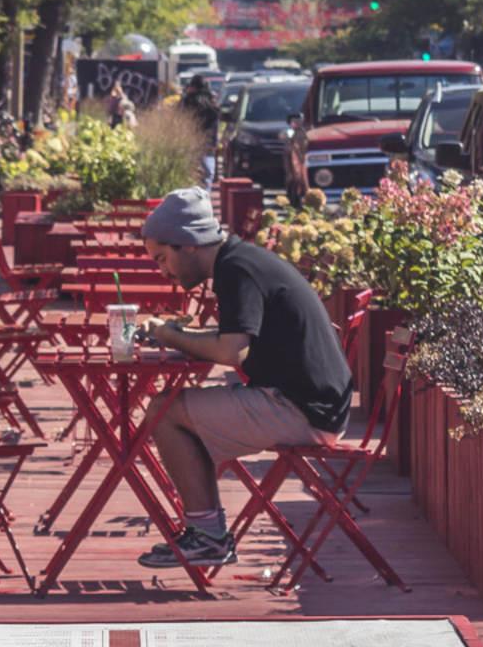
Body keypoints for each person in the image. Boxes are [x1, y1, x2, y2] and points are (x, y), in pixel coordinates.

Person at [134, 187, 352, 567]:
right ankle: (206, 533)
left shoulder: (235, 270)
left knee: (163, 412)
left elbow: (231, 352)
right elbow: (230, 340)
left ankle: (207, 538)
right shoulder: (241, 260)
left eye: (162, 258)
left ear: (188, 244)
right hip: (315, 403)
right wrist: (176, 335)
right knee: (180, 411)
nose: (162, 270)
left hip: (303, 410)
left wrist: (168, 335)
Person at [178, 74, 219, 182]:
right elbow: (215, 124)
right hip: (207, 144)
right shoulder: (212, 101)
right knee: (207, 176)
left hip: (189, 143)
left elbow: (178, 121)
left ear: (193, 86)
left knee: (190, 176)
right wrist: (214, 143)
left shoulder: (186, 101)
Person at [283, 113, 307, 206]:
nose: (296, 123)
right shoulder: (289, 132)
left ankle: (302, 197)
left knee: (302, 179)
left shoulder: (303, 132)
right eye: (293, 121)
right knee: (291, 179)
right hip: (291, 158)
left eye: (298, 121)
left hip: (301, 158)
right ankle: (292, 199)